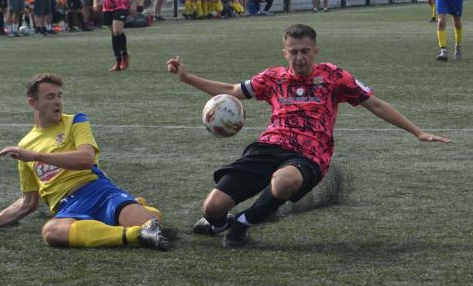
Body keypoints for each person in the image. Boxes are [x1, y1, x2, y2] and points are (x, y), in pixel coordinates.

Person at [166, 24, 450, 248]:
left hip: (309, 154)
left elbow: (374, 103)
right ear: (284, 53)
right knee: (212, 207)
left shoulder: (334, 76)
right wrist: (186, 78)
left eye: (305, 50)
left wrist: (417, 132)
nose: (299, 57)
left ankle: (242, 223)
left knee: (285, 181)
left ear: (315, 51)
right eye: (294, 51)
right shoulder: (273, 78)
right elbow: (231, 90)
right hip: (267, 146)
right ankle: (220, 223)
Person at [0, 73, 170, 251]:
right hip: (67, 207)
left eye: (59, 95)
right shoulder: (25, 144)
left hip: (99, 191)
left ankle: (139, 216)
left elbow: (86, 159)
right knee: (51, 231)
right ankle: (134, 235)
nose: (57, 101)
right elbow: (27, 203)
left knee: (151, 222)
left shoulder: (75, 121)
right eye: (49, 97)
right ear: (33, 103)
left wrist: (36, 156)